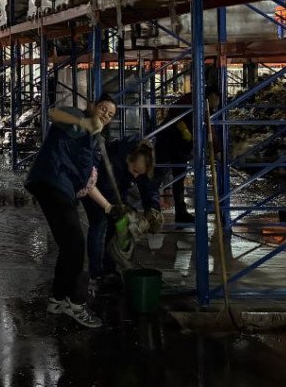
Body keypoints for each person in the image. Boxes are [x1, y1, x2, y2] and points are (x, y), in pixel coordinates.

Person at [24, 95, 117, 329]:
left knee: (70, 246)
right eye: (103, 108)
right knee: (75, 245)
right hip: (51, 181)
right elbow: (54, 114)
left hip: (61, 189)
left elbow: (89, 183)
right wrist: (86, 124)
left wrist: (109, 207)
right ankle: (75, 303)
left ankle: (57, 299)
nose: (106, 114)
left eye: (111, 114)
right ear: (93, 106)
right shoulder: (77, 117)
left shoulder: (94, 142)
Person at [83, 139, 162, 286]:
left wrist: (153, 208)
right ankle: (97, 274)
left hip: (117, 189)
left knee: (116, 227)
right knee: (99, 223)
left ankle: (110, 270)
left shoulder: (143, 160)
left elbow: (149, 187)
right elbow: (106, 188)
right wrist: (120, 209)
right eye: (135, 171)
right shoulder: (113, 159)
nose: (137, 176)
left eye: (141, 173)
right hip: (94, 189)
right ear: (128, 159)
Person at [154, 88, 221, 223]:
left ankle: (181, 213)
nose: (217, 104)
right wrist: (183, 128)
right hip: (167, 141)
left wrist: (216, 150)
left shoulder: (206, 108)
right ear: (213, 95)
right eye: (218, 100)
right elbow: (174, 113)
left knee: (179, 180)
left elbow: (210, 130)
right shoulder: (191, 99)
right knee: (157, 177)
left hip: (182, 147)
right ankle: (152, 212)